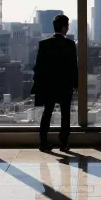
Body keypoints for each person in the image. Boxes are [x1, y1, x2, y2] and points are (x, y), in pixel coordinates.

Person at [31, 14, 78, 152]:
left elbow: (38, 66)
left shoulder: (44, 44)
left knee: (47, 112)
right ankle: (64, 143)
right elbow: (73, 66)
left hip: (49, 85)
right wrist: (75, 84)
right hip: (65, 85)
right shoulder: (70, 44)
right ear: (64, 28)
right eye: (67, 26)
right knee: (65, 113)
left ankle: (43, 142)